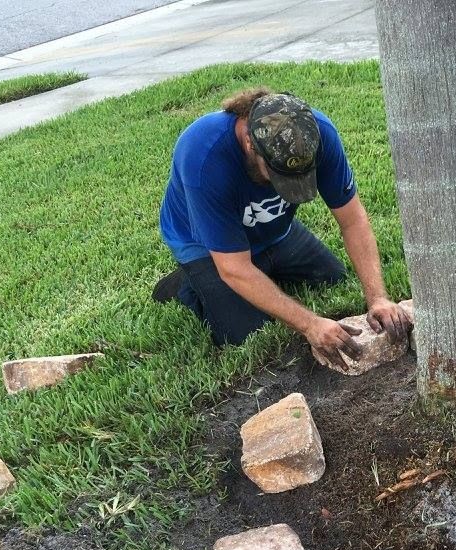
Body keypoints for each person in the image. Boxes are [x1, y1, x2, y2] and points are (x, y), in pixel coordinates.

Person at [154, 88, 410, 370]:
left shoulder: (316, 135)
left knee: (331, 277)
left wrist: (378, 298)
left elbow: (353, 220)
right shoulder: (203, 156)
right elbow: (233, 267)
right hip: (204, 246)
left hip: (273, 231)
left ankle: (262, 268)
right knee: (246, 333)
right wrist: (310, 324)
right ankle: (186, 282)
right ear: (251, 144)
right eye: (279, 177)